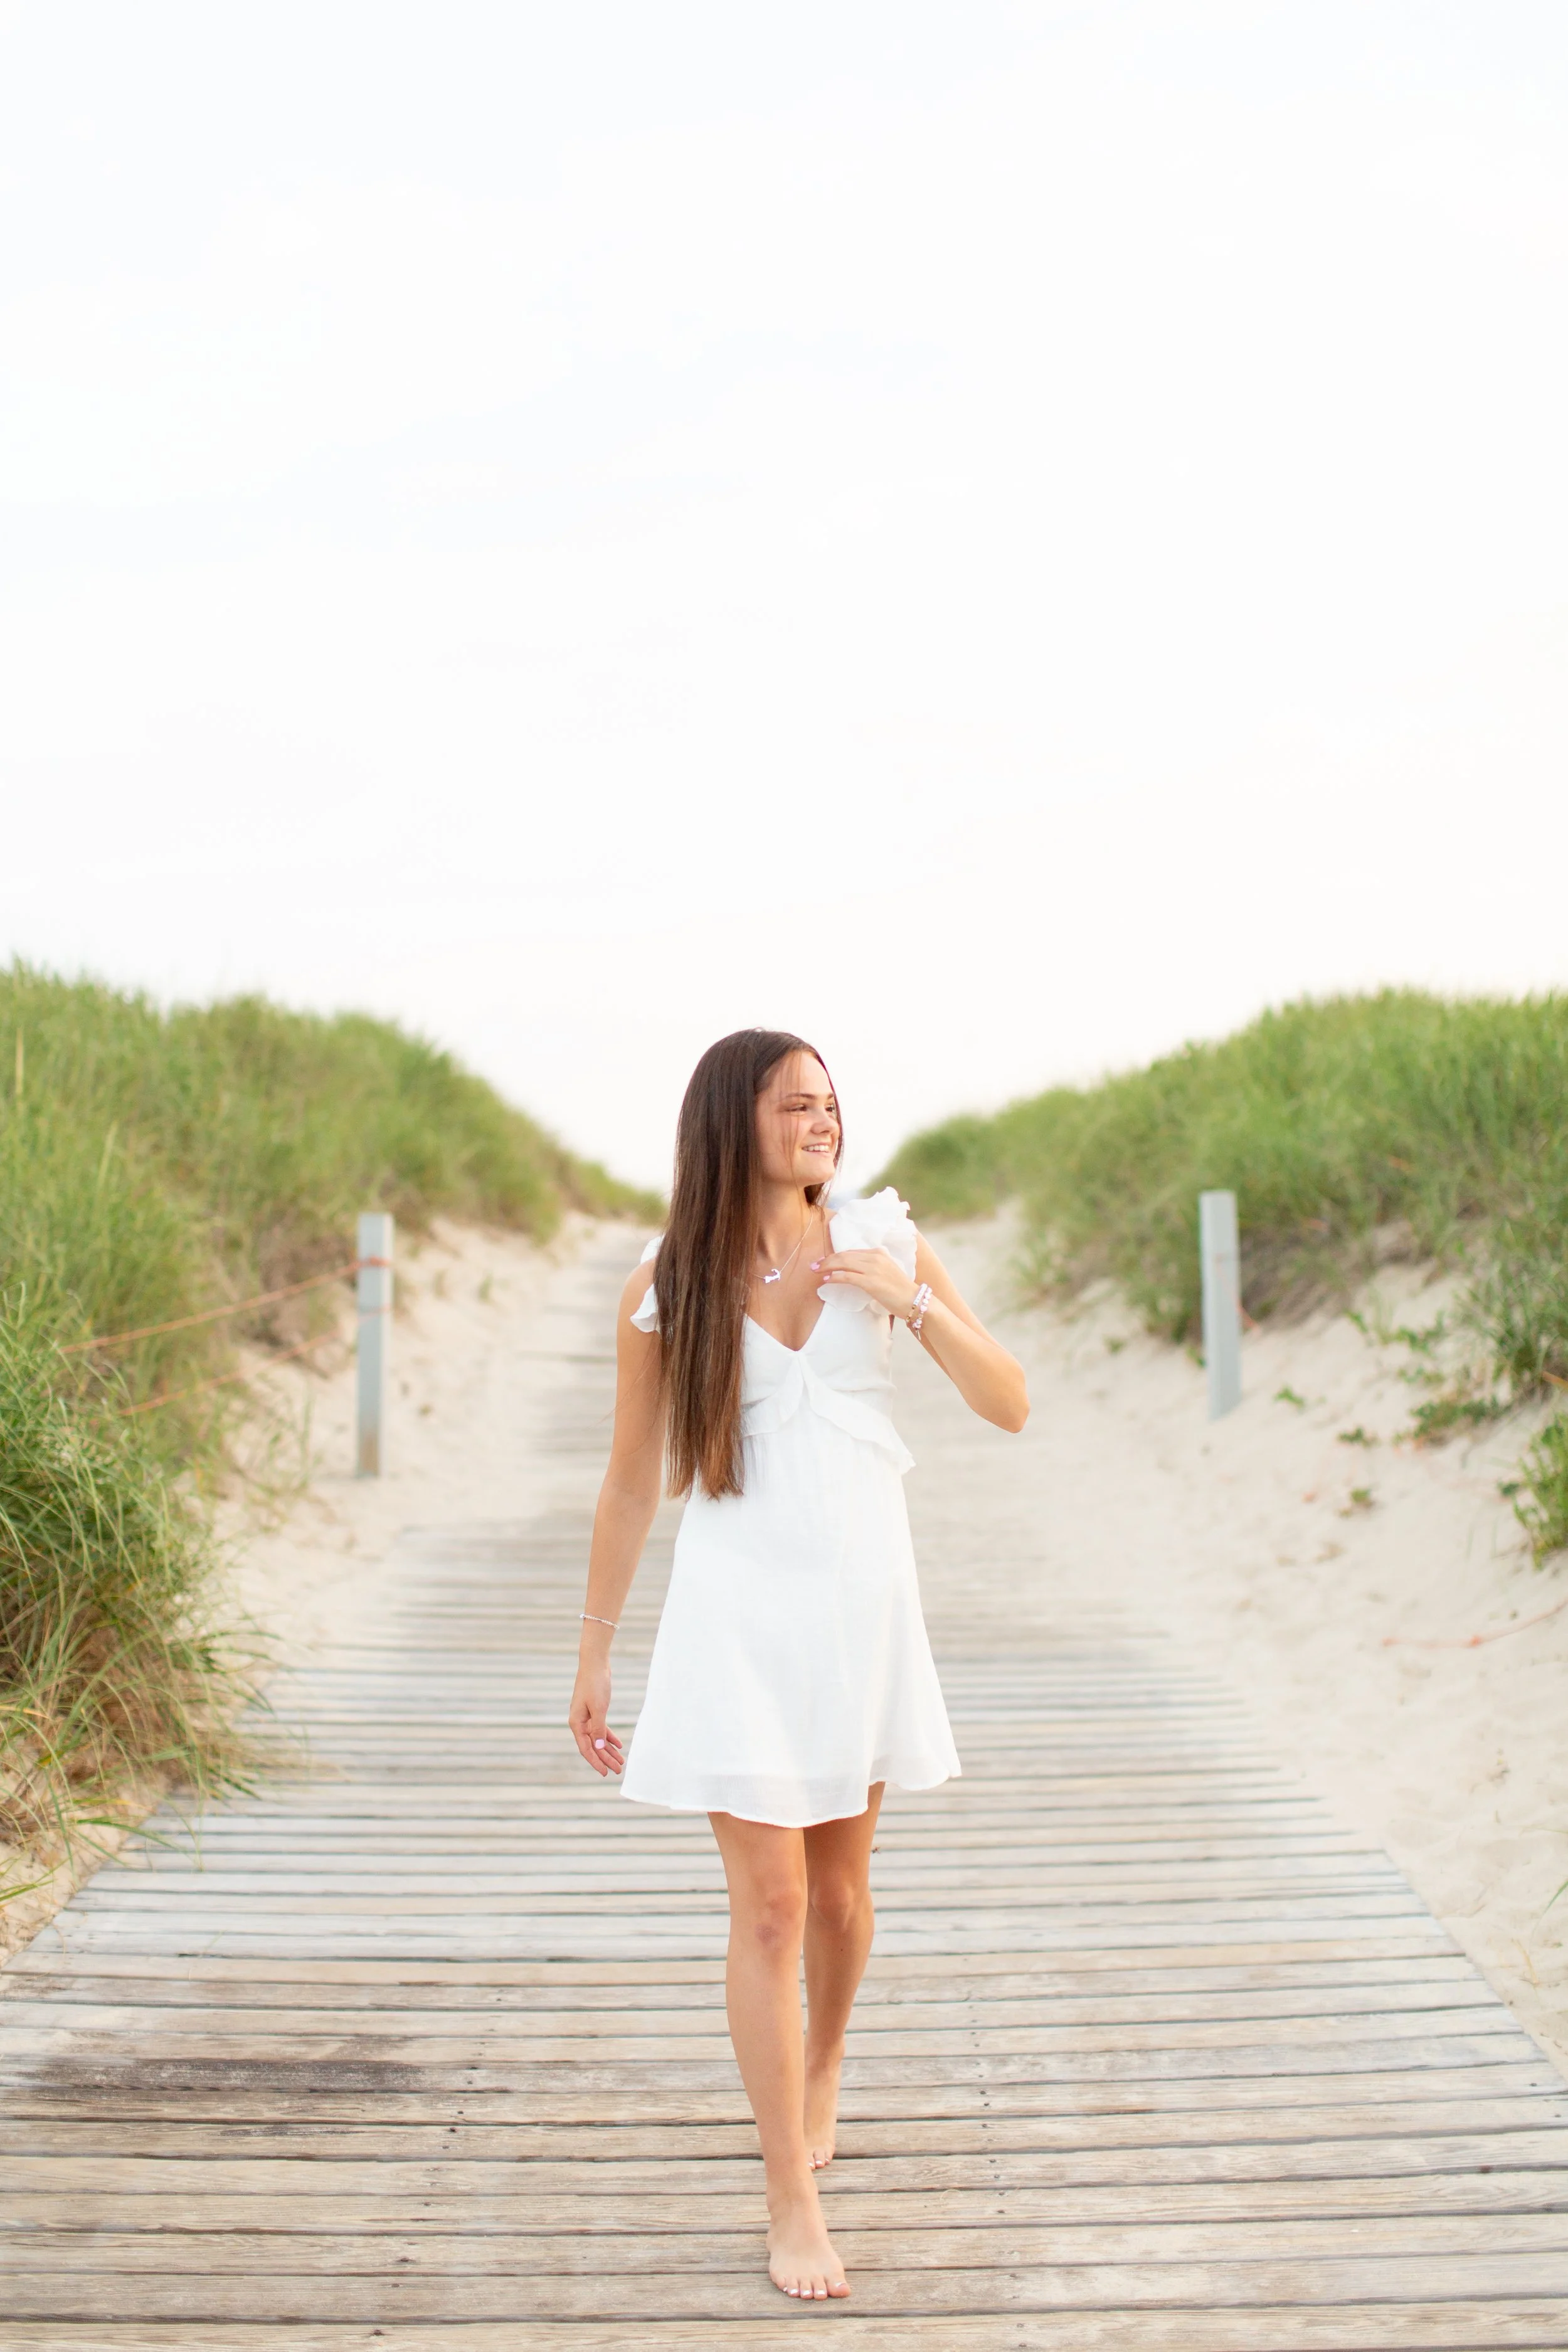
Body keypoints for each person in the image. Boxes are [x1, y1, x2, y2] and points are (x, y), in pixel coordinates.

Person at [568, 1029, 1029, 2301]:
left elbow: (1011, 1401)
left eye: (829, 1102)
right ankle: (788, 2194)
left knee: (838, 1900)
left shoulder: (884, 1236)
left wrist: (909, 1301)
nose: (821, 1122)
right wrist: (596, 1647)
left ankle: (825, 2060)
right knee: (767, 1908)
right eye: (792, 1105)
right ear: (731, 1121)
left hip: (859, 1612)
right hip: (732, 1621)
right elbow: (625, 1479)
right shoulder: (666, 1279)